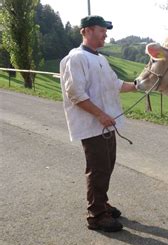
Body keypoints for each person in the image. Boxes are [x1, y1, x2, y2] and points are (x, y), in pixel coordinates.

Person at [60, 15, 137, 232]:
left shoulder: (100, 59)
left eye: (106, 30)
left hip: (106, 124)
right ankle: (96, 215)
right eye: (102, 30)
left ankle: (101, 202)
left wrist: (138, 85)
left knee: (107, 165)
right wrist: (101, 115)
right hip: (92, 125)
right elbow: (75, 93)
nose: (106, 34)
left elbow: (115, 84)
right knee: (98, 168)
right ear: (87, 30)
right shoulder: (76, 58)